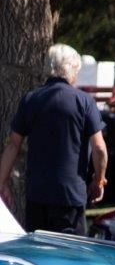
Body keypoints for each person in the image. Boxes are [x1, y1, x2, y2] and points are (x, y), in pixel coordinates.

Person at [0, 44, 107, 235]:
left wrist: (1, 182)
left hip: (37, 196)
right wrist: (98, 181)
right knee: (71, 258)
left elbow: (13, 145)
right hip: (70, 198)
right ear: (72, 69)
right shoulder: (84, 101)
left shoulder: (30, 99)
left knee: (39, 258)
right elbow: (99, 149)